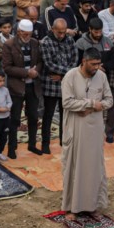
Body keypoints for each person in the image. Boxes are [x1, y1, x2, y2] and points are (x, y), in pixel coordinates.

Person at [60, 48, 114, 220]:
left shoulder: (102, 76)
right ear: (84, 61)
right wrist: (90, 103)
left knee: (94, 168)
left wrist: (92, 106)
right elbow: (67, 102)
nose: (96, 67)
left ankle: (93, 206)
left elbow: (109, 100)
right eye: (93, 64)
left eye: (99, 64)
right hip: (76, 128)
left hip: (95, 129)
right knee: (75, 167)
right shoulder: (70, 76)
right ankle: (72, 207)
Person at [2, 19, 43, 158]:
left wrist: (36, 71)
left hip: (33, 86)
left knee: (33, 116)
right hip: (17, 87)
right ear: (19, 32)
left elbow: (40, 62)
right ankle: (12, 148)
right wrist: (26, 73)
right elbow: (7, 67)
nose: (27, 37)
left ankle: (32, 144)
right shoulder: (9, 45)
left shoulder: (35, 43)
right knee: (15, 119)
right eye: (25, 34)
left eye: (29, 34)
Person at [40, 18, 78, 154]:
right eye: (59, 32)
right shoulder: (45, 42)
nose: (62, 35)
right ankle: (45, 144)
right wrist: (68, 72)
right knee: (48, 115)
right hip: (51, 84)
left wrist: (63, 76)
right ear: (53, 29)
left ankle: (64, 142)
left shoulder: (70, 40)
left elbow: (75, 60)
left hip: (65, 84)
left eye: (64, 32)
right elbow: (49, 64)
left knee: (65, 116)